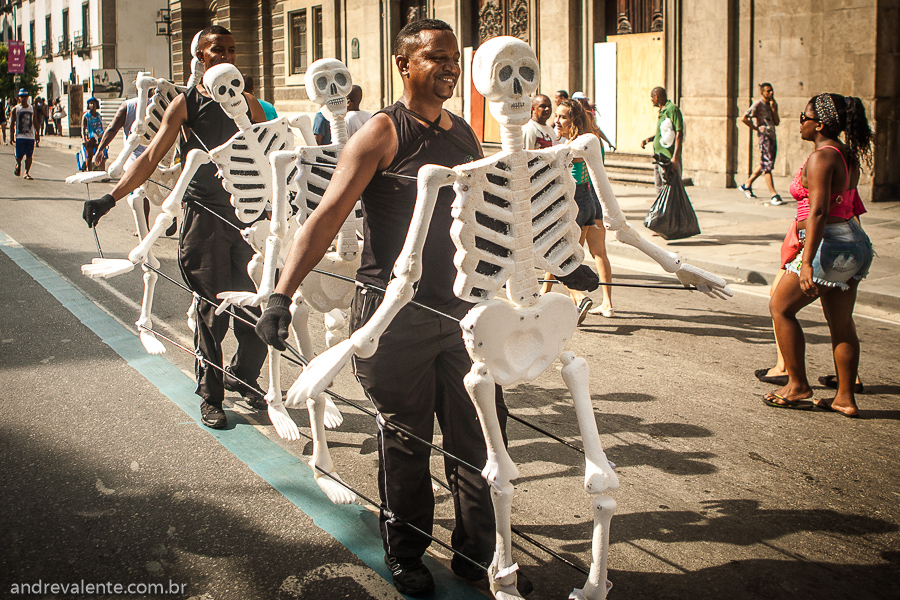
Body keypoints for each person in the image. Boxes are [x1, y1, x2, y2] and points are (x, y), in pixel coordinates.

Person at [255, 19, 517, 597]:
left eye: (453, 57)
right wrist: (279, 293)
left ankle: (475, 551)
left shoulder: (464, 133)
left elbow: (479, 216)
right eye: (435, 58)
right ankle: (406, 554)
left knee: (478, 437)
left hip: (461, 312)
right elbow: (324, 218)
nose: (449, 67)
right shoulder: (381, 132)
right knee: (407, 440)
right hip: (391, 318)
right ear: (405, 66)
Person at [81, 25, 270, 429]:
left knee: (255, 307)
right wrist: (111, 197)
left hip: (247, 219)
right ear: (200, 56)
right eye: (217, 50)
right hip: (203, 218)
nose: (226, 56)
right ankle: (211, 395)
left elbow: (267, 159)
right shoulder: (186, 103)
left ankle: (244, 375)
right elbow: (150, 157)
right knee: (212, 310)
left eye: (232, 50)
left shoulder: (251, 104)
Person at [765, 93, 873, 418]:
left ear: (819, 123)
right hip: (853, 240)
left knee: (780, 308)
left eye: (803, 116)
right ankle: (844, 398)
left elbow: (819, 211)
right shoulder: (846, 154)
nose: (800, 122)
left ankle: (797, 385)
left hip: (828, 244)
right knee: (841, 323)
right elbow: (846, 205)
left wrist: (807, 262)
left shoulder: (821, 158)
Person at [541, 98, 614, 321]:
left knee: (560, 256)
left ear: (574, 119)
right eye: (557, 115)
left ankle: (578, 297)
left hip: (577, 203)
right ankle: (607, 304)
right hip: (591, 202)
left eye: (562, 116)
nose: (556, 120)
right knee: (589, 254)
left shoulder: (574, 145)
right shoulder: (591, 140)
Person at [740, 83, 783, 205]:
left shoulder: (771, 105)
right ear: (762, 92)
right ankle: (774, 194)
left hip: (772, 135)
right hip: (764, 137)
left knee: (765, 163)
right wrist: (755, 128)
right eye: (768, 91)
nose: (771, 93)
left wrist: (774, 108)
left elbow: (777, 121)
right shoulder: (758, 104)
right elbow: (744, 117)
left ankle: (747, 184)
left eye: (772, 91)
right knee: (767, 165)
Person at [641, 86, 683, 195]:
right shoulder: (662, 111)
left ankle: (671, 212)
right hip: (659, 156)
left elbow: (679, 133)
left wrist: (675, 158)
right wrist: (649, 140)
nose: (651, 100)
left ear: (657, 96)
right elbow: (664, 133)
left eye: (652, 97)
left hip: (667, 157)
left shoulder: (672, 109)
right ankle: (661, 211)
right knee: (659, 189)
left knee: (670, 190)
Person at [11, 88, 37, 180]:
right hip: (19, 136)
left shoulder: (32, 109)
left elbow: (35, 121)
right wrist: (11, 136)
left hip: (30, 136)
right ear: (19, 98)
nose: (24, 98)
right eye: (22, 96)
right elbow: (12, 123)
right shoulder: (16, 109)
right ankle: (18, 164)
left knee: (29, 155)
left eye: (25, 96)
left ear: (28, 97)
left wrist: (37, 134)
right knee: (19, 156)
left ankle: (26, 172)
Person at [82, 97, 105, 171]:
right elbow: (83, 128)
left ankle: (102, 173)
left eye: (93, 103)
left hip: (98, 137)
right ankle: (89, 171)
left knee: (101, 155)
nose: (92, 105)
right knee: (89, 156)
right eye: (90, 103)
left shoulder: (98, 115)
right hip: (90, 138)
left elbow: (101, 126)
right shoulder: (86, 116)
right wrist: (84, 139)